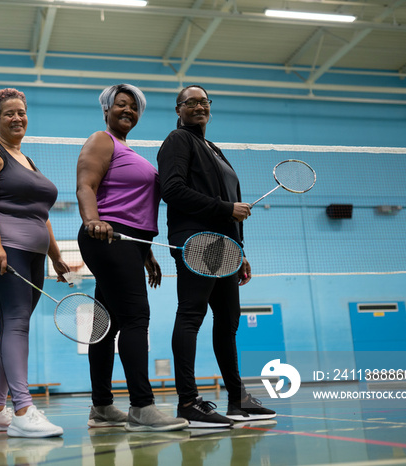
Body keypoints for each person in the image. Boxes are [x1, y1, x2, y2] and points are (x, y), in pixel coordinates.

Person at [157, 85, 276, 426]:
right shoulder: (178, 141)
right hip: (198, 240)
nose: (198, 106)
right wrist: (226, 209)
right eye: (189, 102)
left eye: (203, 101)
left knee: (228, 321)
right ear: (178, 110)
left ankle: (238, 399)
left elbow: (229, 205)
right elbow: (173, 190)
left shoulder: (214, 149)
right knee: (192, 315)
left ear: (210, 107)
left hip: (225, 246)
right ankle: (188, 401)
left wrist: (240, 250)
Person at [76, 83, 189, 432]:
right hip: (106, 236)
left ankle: (102, 407)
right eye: (120, 105)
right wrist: (92, 219)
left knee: (105, 326)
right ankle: (142, 406)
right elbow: (85, 185)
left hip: (130, 243)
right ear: (107, 110)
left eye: (134, 107)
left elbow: (135, 209)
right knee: (137, 318)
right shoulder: (102, 139)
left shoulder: (128, 149)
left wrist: (145, 253)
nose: (127, 111)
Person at [0, 88, 70, 438]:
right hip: (1, 246)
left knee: (14, 323)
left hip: (34, 253)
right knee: (16, 321)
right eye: (9, 113)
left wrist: (57, 257)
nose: (17, 118)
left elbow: (41, 216)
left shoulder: (27, 159)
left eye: (21, 112)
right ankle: (23, 408)